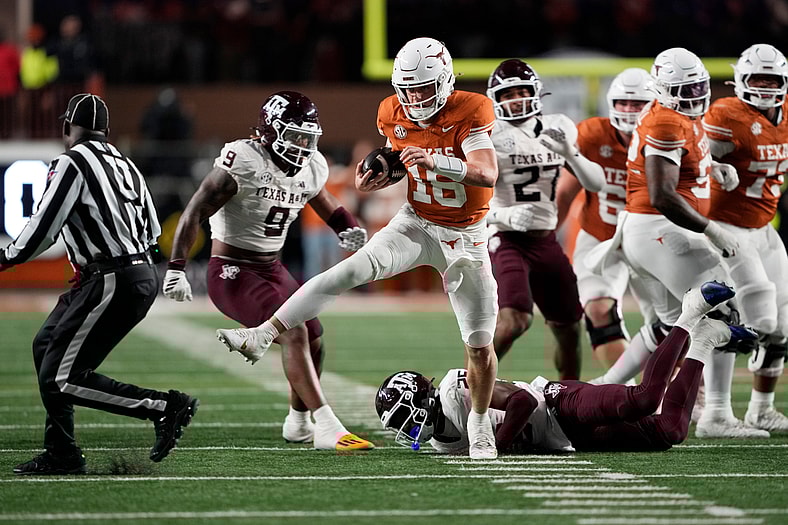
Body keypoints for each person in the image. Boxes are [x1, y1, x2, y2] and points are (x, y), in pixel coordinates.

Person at [216, 37, 502, 459]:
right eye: (408, 89)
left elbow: (486, 173)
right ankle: (264, 334)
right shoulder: (391, 110)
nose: (414, 98)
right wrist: (379, 170)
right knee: (349, 270)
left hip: (466, 236)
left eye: (423, 89)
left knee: (478, 342)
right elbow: (395, 157)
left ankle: (478, 424)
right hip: (417, 222)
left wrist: (434, 160)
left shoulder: (472, 107)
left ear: (443, 82)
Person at [0, 93, 198, 475]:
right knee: (46, 347)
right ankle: (62, 451)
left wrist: (7, 256)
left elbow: (44, 227)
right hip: (132, 273)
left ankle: (163, 406)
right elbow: (153, 231)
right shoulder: (127, 164)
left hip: (112, 277)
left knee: (61, 377)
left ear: (67, 128)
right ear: (105, 131)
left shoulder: (71, 161)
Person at [163, 91, 373, 451]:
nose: (303, 146)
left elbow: (325, 202)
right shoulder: (243, 161)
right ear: (269, 131)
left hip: (273, 269)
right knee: (293, 334)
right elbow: (195, 211)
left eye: (309, 137)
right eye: (295, 136)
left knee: (315, 337)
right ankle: (326, 424)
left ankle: (299, 421)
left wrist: (346, 227)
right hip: (232, 270)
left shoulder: (310, 166)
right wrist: (176, 267)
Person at [375, 281, 758, 454]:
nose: (407, 429)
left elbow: (523, 401)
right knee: (670, 431)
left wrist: (498, 444)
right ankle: (705, 342)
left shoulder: (456, 391)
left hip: (558, 404)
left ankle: (689, 315)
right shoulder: (442, 442)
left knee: (642, 400)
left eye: (404, 418)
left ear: (421, 398)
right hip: (564, 438)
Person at [600, 47, 767, 438]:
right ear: (661, 88)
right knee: (722, 309)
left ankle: (604, 389)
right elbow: (662, 194)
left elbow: (684, 171)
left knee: (666, 324)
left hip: (649, 232)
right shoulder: (667, 122)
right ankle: (717, 415)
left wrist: (714, 169)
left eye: (697, 86)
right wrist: (712, 230)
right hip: (660, 229)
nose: (693, 95)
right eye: (683, 88)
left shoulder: (678, 117)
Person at [484, 59, 606, 380]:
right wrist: (504, 214)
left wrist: (571, 153)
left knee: (569, 329)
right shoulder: (488, 135)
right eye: (510, 94)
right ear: (497, 99)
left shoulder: (559, 125)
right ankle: (464, 386)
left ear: (537, 92)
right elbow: (466, 205)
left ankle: (569, 400)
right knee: (515, 320)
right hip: (506, 237)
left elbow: (596, 182)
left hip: (546, 240)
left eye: (524, 91)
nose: (518, 99)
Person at [702, 43, 788, 432]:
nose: (766, 87)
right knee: (741, 320)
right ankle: (717, 411)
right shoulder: (726, 114)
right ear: (740, 80)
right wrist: (714, 166)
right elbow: (693, 157)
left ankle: (761, 409)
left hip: (764, 228)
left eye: (773, 80)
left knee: (782, 326)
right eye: (758, 79)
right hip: (727, 228)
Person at [554, 68, 657, 383]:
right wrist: (541, 242)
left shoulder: (668, 135)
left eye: (637, 103)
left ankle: (690, 392)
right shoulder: (591, 134)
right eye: (623, 102)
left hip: (654, 240)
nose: (628, 110)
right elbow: (565, 193)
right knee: (598, 311)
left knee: (672, 322)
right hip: (600, 235)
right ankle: (624, 392)